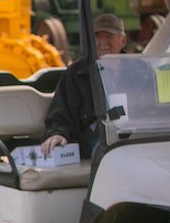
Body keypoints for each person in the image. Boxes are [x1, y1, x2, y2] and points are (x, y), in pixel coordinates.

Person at [40, 13, 128, 158]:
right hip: (95, 141)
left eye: (108, 36)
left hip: (133, 136)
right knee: (115, 152)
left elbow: (152, 107)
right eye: (98, 37)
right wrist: (57, 134)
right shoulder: (76, 74)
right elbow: (61, 113)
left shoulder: (139, 69)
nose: (103, 42)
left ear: (123, 40)